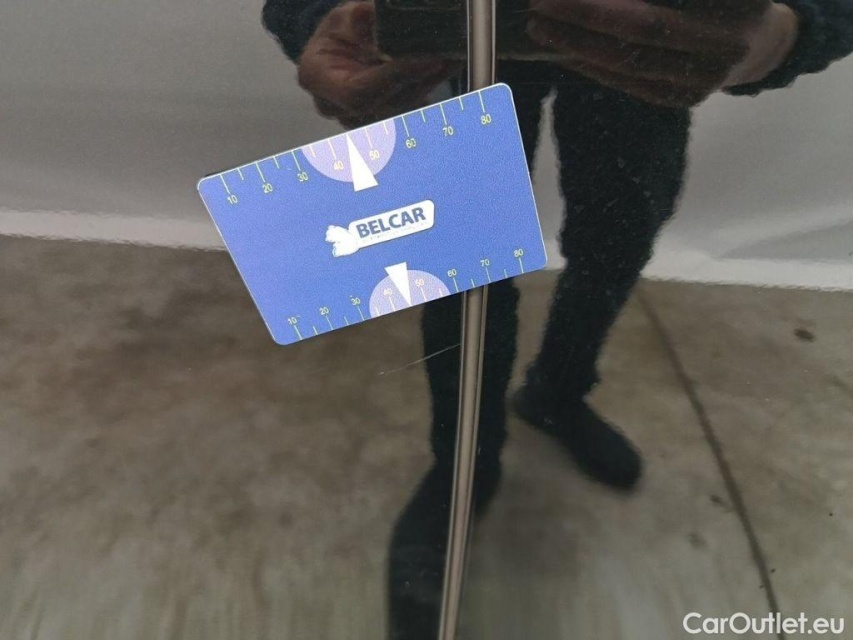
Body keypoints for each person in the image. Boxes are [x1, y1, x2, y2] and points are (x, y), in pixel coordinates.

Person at [262, 1, 853, 637]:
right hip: (455, 35)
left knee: (615, 242)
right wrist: (324, 17)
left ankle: (555, 394)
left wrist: (786, 35)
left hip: (633, 36)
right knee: (465, 269)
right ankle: (464, 463)